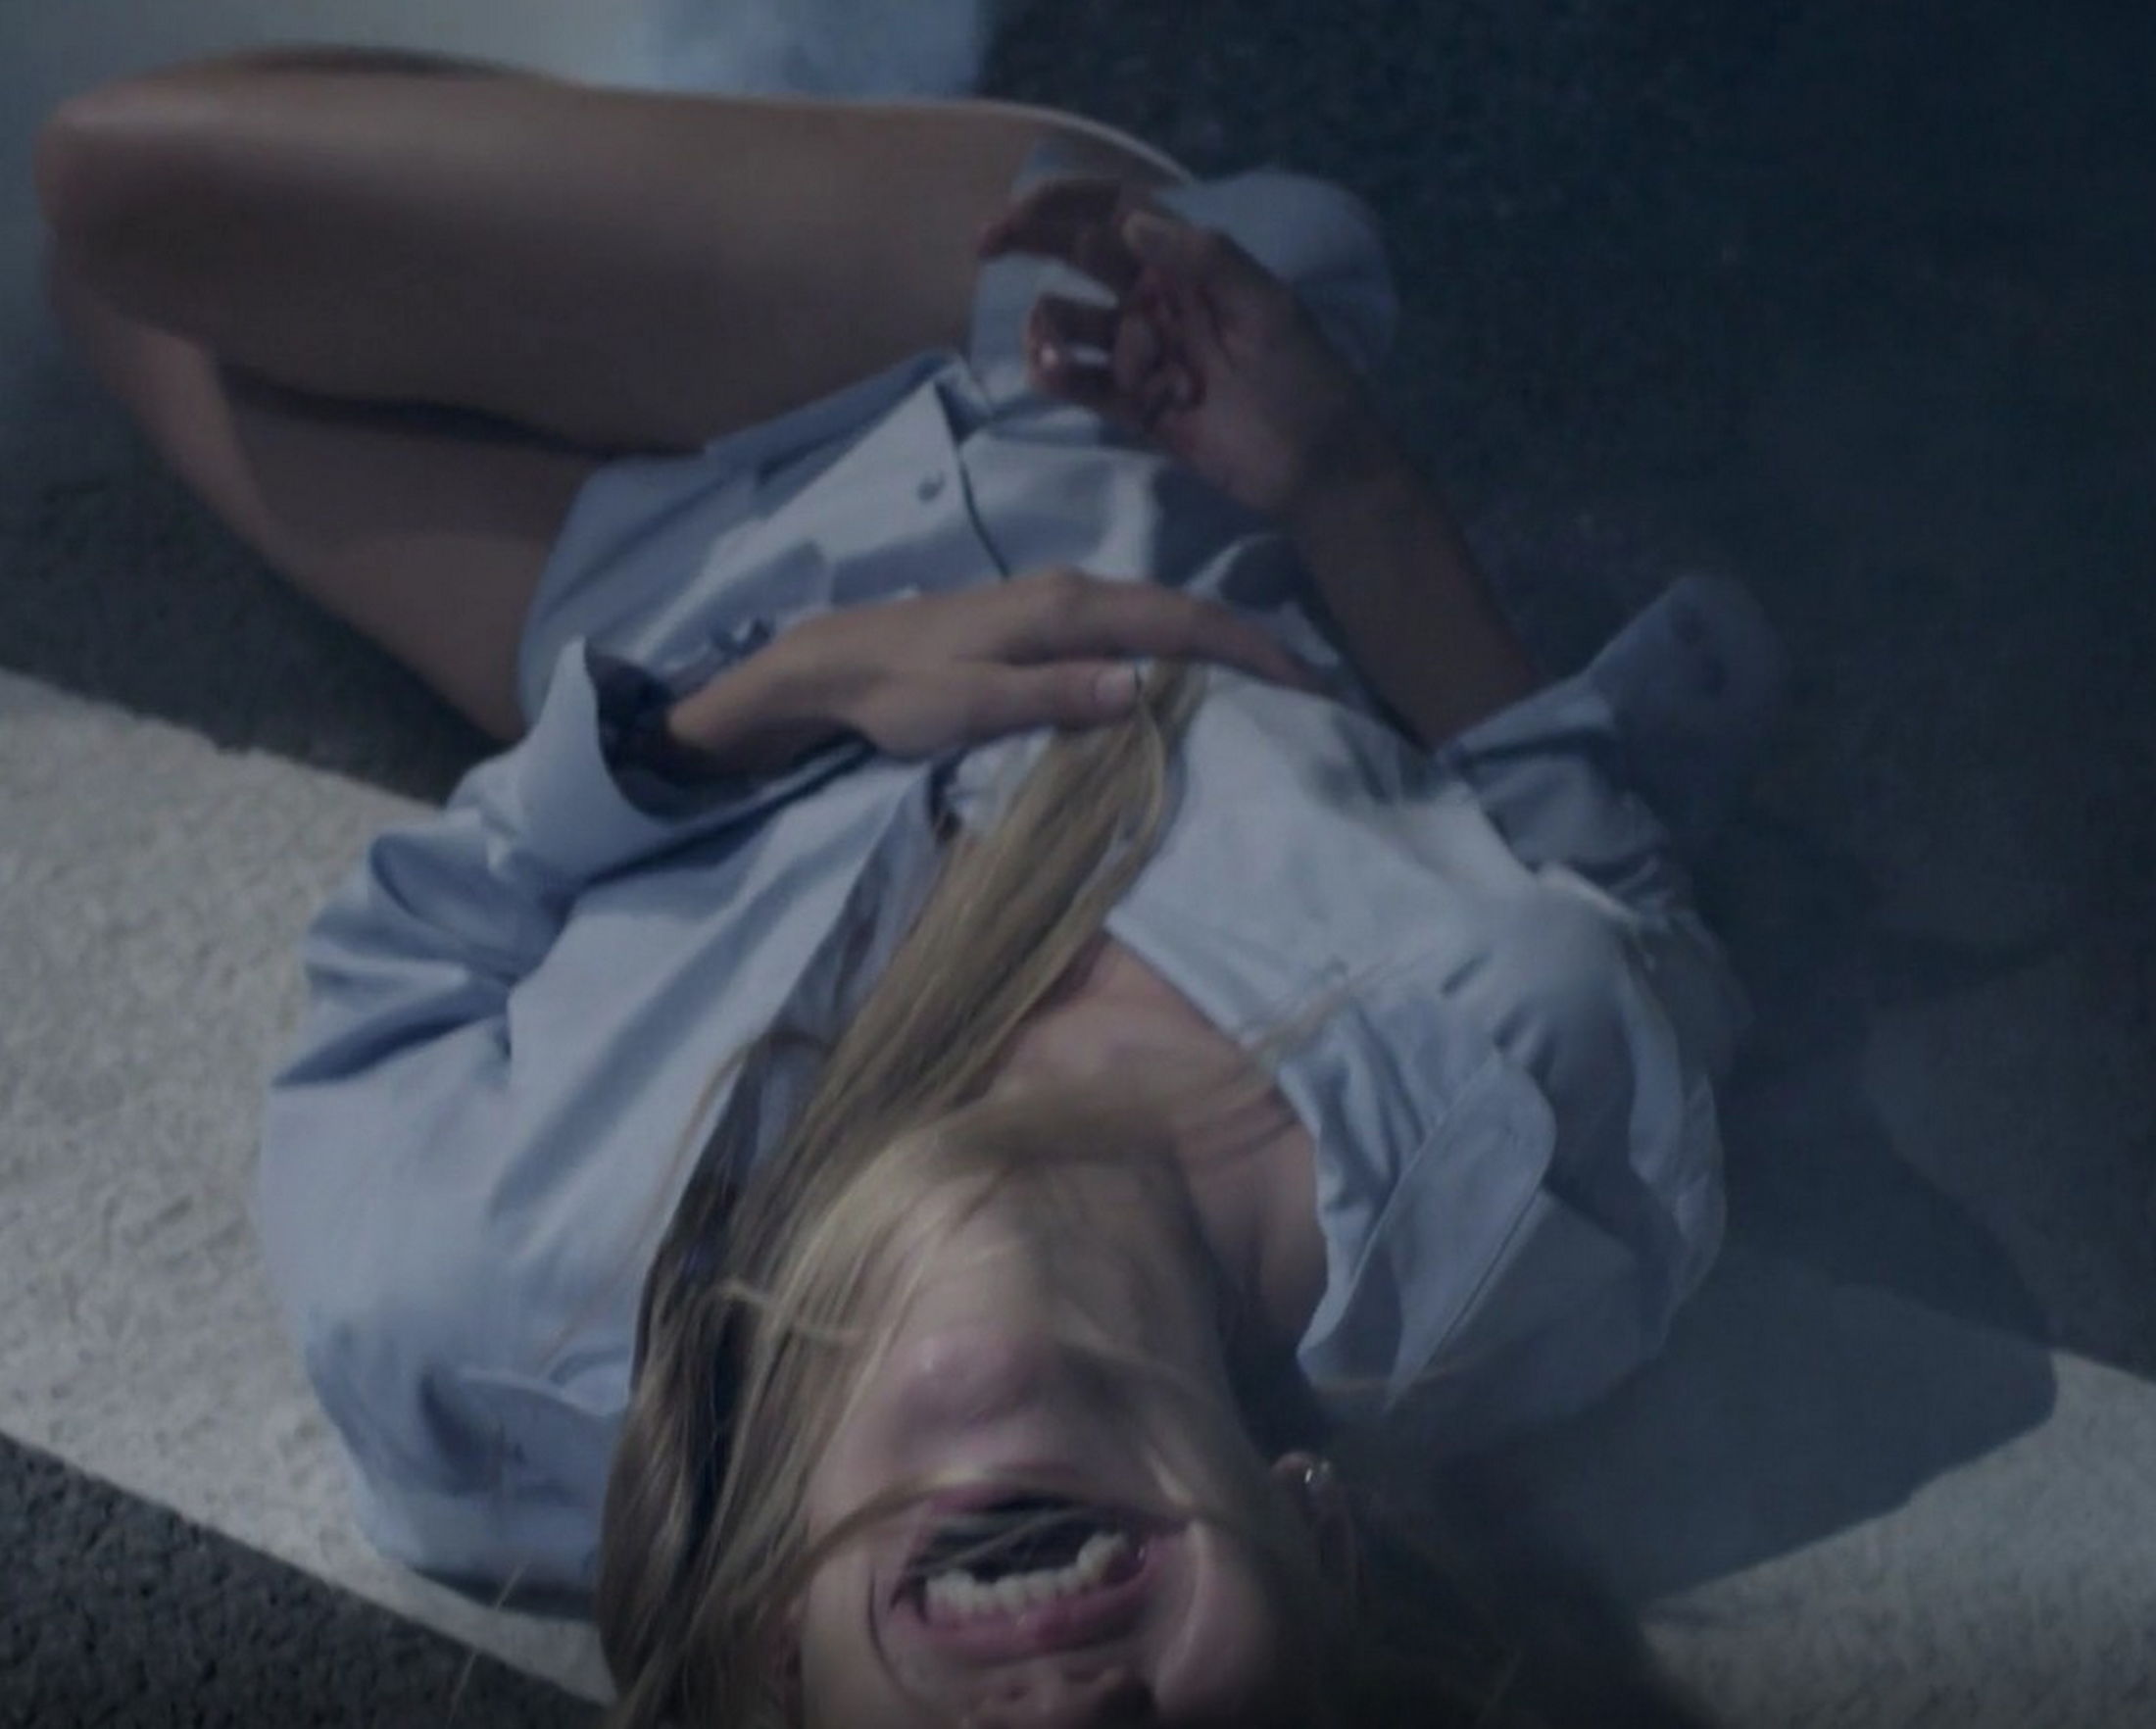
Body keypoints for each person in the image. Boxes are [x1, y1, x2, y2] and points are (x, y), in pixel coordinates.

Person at [35, 42, 1784, 1727]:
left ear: (778, 1668)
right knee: (125, 182)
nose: (1072, 1723)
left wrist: (760, 702)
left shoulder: (487, 1348)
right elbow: (1617, 899)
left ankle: (615, 186)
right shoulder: (1505, 1191)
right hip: (1053, 388)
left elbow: (401, 965)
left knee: (108, 254)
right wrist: (1342, 478)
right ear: (1320, 1556)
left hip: (643, 608)